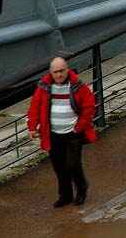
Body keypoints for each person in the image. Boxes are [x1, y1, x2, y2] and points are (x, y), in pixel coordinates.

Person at [27, 57, 96, 207]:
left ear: (67, 69)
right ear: (51, 73)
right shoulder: (44, 87)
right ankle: (66, 195)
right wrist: (32, 126)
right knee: (59, 166)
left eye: (62, 71)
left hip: (73, 133)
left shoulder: (77, 85)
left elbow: (89, 106)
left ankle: (81, 188)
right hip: (53, 133)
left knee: (73, 164)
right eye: (56, 72)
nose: (59, 75)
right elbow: (35, 106)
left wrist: (79, 127)